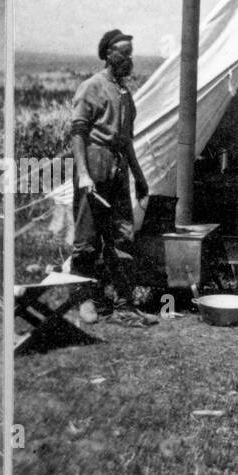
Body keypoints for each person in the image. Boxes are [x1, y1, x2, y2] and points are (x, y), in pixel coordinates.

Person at [69, 29, 155, 326]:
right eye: (123, 53)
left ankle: (123, 304)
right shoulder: (91, 87)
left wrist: (140, 177)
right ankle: (85, 298)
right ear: (108, 54)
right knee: (88, 239)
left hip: (118, 170)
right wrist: (82, 174)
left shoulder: (125, 94)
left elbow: (127, 141)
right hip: (93, 164)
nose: (128, 59)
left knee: (122, 237)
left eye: (131, 53)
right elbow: (78, 132)